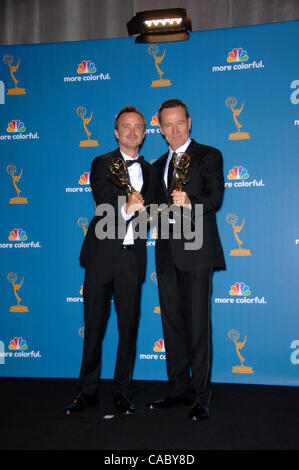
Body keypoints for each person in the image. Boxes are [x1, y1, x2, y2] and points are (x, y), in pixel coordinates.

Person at [64, 106, 154, 415]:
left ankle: (122, 390)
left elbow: (156, 210)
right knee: (94, 326)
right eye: (126, 126)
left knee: (128, 327)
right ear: (116, 132)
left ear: (144, 133)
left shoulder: (152, 171)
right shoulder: (101, 163)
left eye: (138, 127)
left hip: (132, 258)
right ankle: (87, 390)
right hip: (101, 256)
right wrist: (128, 206)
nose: (132, 131)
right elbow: (103, 200)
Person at [148, 99, 225, 421]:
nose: (174, 130)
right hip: (166, 254)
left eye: (180, 123)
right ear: (161, 129)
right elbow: (153, 211)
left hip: (197, 252)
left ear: (189, 123)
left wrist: (190, 201)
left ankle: (201, 395)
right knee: (173, 325)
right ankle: (178, 389)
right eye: (168, 125)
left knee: (197, 327)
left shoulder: (209, 155)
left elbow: (215, 198)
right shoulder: (155, 165)